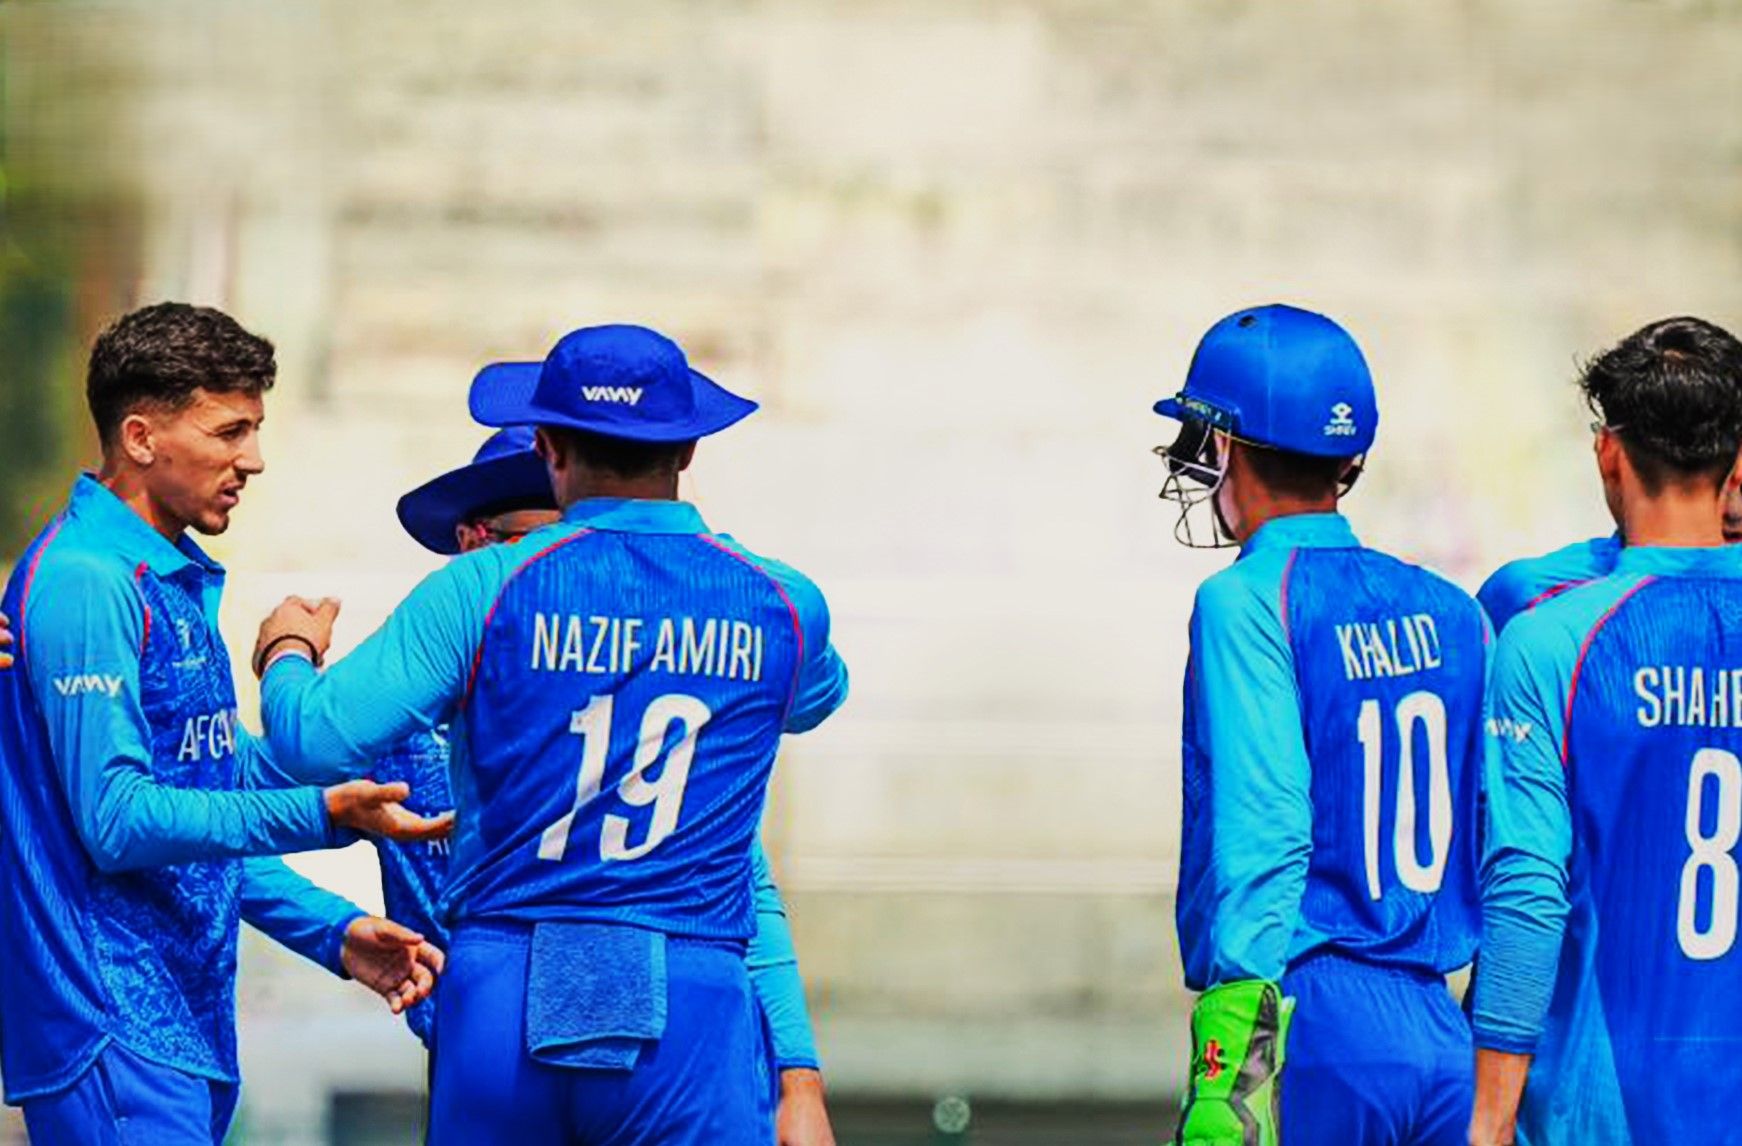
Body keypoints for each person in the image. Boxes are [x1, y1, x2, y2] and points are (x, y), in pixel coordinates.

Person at [253, 323, 849, 1144]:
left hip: (501, 992)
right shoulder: (782, 602)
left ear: (549, 448)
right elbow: (815, 699)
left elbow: (310, 742)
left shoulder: (482, 589)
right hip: (689, 999)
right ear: (688, 450)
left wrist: (286, 651)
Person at [0, 302, 450, 1144]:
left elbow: (205, 809)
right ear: (141, 438)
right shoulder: (88, 582)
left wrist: (334, 931)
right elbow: (119, 822)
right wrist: (322, 814)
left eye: (255, 430)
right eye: (229, 432)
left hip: (179, 1028)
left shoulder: (166, 575)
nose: (254, 460)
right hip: (112, 1023)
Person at [381, 424, 838, 1143]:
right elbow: (251, 803)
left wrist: (798, 1079)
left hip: (650, 1059)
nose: (571, 572)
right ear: (474, 544)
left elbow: (747, 889)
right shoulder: (396, 732)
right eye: (536, 545)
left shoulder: (650, 738)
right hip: (481, 1060)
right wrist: (335, 931)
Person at [1155, 305, 1486, 1144]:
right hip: (1443, 1032)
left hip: (1312, 1019)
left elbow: (1266, 828)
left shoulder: (1243, 599)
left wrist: (1233, 1068)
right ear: (1349, 458)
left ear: (1223, 445)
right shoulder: (1455, 611)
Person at [1469, 317, 1742, 1146]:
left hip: (1597, 1107)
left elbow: (1527, 888)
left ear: (1608, 454)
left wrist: (1488, 1119)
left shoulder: (1550, 631)